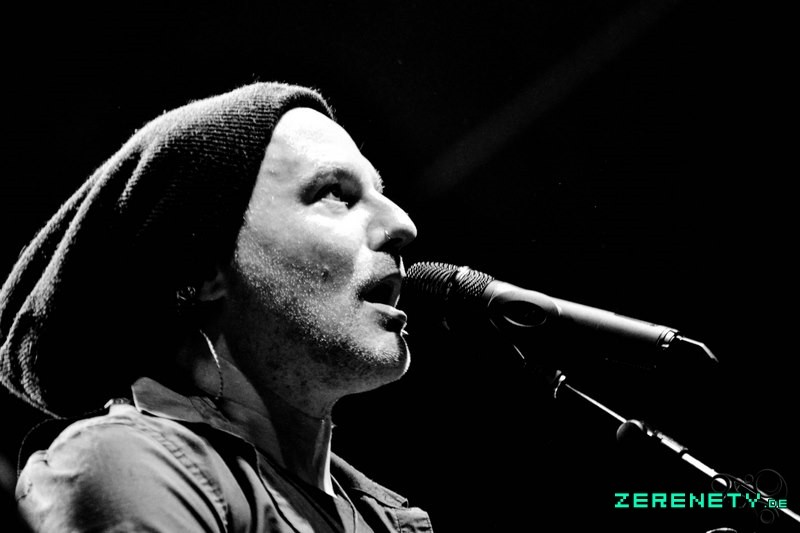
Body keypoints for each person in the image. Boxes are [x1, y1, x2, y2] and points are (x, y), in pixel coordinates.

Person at [0, 82, 432, 532]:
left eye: (380, 193)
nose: (402, 223)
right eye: (336, 193)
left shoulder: (378, 516)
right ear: (205, 268)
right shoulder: (128, 463)